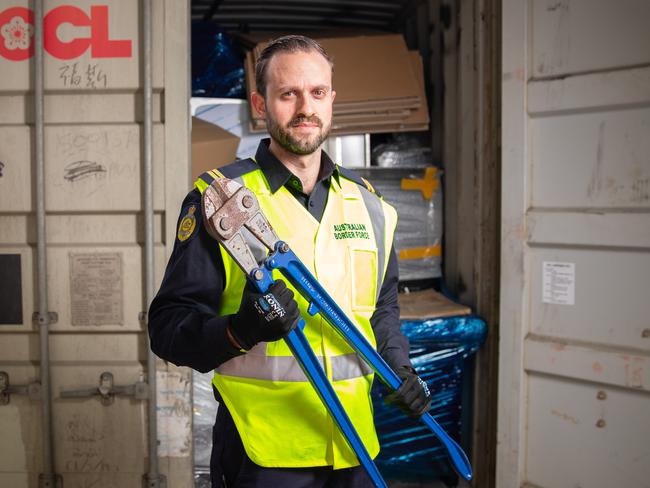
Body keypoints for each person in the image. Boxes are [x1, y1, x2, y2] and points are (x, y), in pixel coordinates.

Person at [149, 35, 431, 488]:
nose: (306, 107)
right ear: (261, 105)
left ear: (332, 99)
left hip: (355, 450)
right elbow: (166, 328)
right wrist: (239, 330)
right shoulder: (220, 200)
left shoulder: (373, 207)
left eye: (317, 92)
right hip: (262, 457)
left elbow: (381, 309)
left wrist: (398, 365)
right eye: (288, 94)